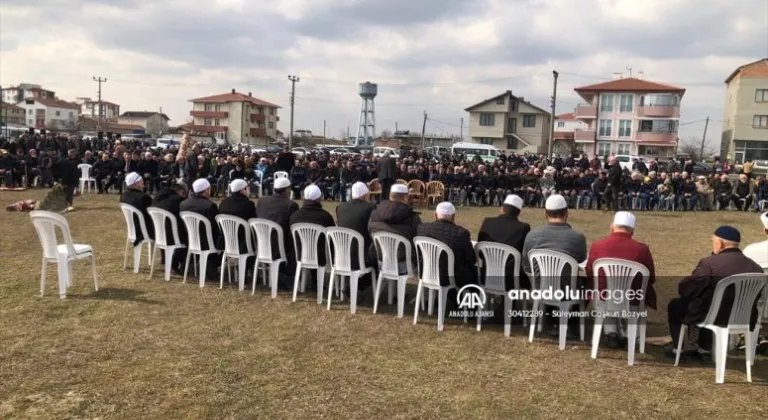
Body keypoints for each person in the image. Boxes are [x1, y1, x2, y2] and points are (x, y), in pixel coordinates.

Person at [666, 226, 764, 361]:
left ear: (720, 243)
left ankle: (679, 349)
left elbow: (688, 290)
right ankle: (704, 349)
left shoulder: (710, 263)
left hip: (712, 316)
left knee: (677, 305)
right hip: (743, 318)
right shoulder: (756, 268)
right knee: (710, 301)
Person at [585, 211, 657, 348]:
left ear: (612, 226)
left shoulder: (597, 246)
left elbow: (589, 272)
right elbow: (650, 277)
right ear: (632, 230)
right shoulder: (642, 249)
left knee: (602, 290)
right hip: (633, 300)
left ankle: (611, 332)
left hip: (604, 299)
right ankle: (630, 335)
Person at [416, 202, 478, 289]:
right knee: (475, 273)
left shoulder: (421, 229)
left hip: (426, 273)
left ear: (435, 215)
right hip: (451, 277)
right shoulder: (461, 233)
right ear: (453, 216)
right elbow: (471, 259)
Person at [522, 194, 588, 276]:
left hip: (540, 287)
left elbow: (527, 267)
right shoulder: (578, 238)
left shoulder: (531, 236)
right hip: (567, 288)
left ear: (545, 214)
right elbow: (582, 261)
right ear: (566, 213)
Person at [477, 194, 531, 290]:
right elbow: (524, 255)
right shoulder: (523, 227)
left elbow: (480, 252)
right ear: (518, 212)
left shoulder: (487, 222)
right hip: (510, 279)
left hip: (487, 275)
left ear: (502, 209)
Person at [289, 185, 336, 289]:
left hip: (300, 253)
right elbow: (333, 237)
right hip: (320, 255)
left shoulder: (294, 215)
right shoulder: (325, 216)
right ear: (319, 199)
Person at [255, 177, 299, 285]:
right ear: (287, 190)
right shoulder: (291, 205)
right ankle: (288, 275)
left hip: (261, 243)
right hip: (280, 247)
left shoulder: (261, 201)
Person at [368, 184, 421, 269]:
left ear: (390, 196)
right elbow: (417, 239)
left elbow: (370, 232)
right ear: (405, 197)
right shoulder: (412, 218)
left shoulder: (374, 214)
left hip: (381, 259)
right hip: (403, 263)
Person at [180, 178, 221, 281]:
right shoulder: (210, 206)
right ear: (206, 190)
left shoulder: (183, 204)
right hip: (208, 242)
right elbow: (216, 227)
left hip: (190, 239)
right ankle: (212, 267)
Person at [336, 181, 377, 272]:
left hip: (341, 254)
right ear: (365, 195)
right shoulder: (370, 207)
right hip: (362, 257)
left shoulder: (340, 207)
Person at [151, 182, 188, 274]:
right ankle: (173, 263)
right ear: (182, 191)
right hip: (172, 236)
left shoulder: (157, 197)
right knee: (189, 237)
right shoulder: (178, 200)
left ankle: (165, 259)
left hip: (157, 233)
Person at [218, 178, 257, 254]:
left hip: (226, 241)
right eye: (247, 188)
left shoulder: (223, 203)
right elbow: (252, 224)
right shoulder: (248, 204)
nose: (249, 189)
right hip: (243, 243)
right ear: (242, 190)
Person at [119, 172, 154, 246]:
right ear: (135, 183)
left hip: (132, 230)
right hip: (144, 232)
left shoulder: (123, 196)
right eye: (140, 180)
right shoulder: (143, 197)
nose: (143, 182)